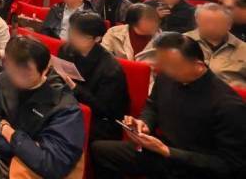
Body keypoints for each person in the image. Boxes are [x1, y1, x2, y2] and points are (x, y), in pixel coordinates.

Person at [91, 33, 246, 179]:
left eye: (171, 66)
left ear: (198, 65)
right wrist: (145, 124)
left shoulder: (228, 104)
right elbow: (152, 106)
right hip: (161, 152)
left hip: (194, 167)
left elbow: (230, 164)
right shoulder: (167, 76)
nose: (163, 70)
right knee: (100, 150)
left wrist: (168, 151)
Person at [0, 36, 85, 179]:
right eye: (12, 69)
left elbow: (52, 163)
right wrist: (26, 148)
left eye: (25, 73)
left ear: (45, 70)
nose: (16, 78)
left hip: (37, 171)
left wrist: (8, 132)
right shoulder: (3, 80)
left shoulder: (64, 106)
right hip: (1, 157)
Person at [58, 12, 129, 141]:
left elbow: (104, 109)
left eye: (81, 36)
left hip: (100, 121)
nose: (74, 39)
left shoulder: (111, 69)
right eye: (72, 33)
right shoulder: (67, 49)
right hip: (70, 105)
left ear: (97, 39)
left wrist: (74, 87)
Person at [185, 3, 246, 87]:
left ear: (229, 25)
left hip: (230, 93)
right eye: (206, 23)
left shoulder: (243, 49)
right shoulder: (182, 42)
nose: (211, 27)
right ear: (197, 22)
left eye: (217, 23)